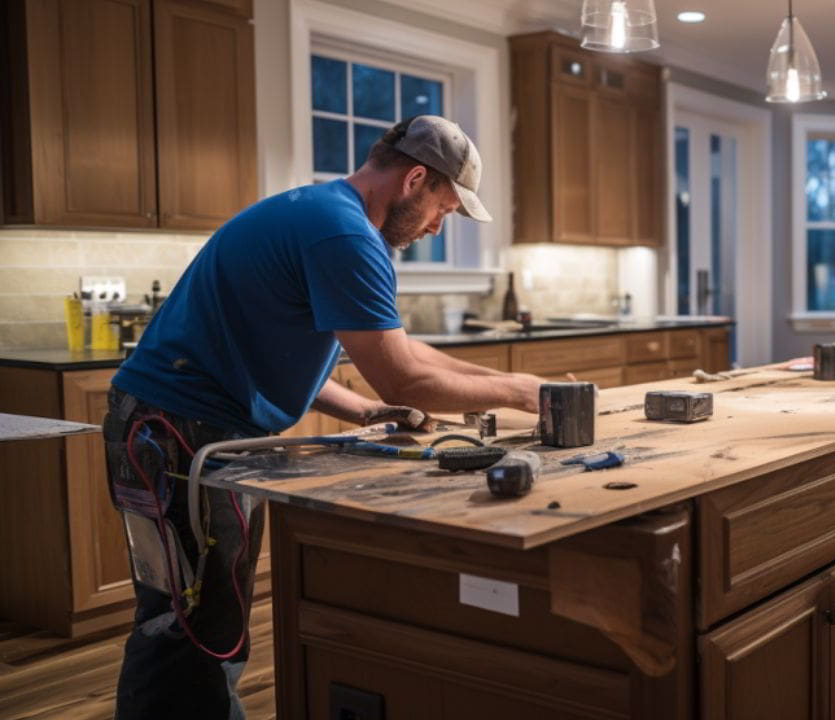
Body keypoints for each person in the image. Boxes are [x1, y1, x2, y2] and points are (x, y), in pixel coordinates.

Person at [101, 115, 546, 718]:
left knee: (198, 615)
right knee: (190, 625)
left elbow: (347, 350)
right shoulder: (344, 236)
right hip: (176, 433)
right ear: (415, 179)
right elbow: (403, 376)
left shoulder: (327, 214)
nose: (439, 227)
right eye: (443, 208)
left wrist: (367, 406)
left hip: (179, 426)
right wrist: (520, 393)